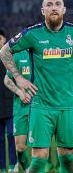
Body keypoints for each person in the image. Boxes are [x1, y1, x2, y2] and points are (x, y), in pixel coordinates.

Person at [0, 0, 73, 173]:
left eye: (57, 4)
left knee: (67, 159)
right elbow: (4, 51)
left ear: (64, 10)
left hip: (68, 106)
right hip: (41, 107)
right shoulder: (32, 34)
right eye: (49, 4)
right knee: (39, 159)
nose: (53, 7)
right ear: (43, 10)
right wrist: (18, 78)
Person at [4, 48, 31, 173]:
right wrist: (20, 92)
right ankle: (28, 168)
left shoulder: (45, 53)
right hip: (21, 107)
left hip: (41, 106)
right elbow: (7, 79)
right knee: (19, 147)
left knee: (41, 147)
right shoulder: (18, 56)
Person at [0, 29, 17, 173]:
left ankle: (13, 165)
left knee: (12, 135)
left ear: (4, 40)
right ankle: (2, 168)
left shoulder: (11, 57)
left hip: (11, 104)